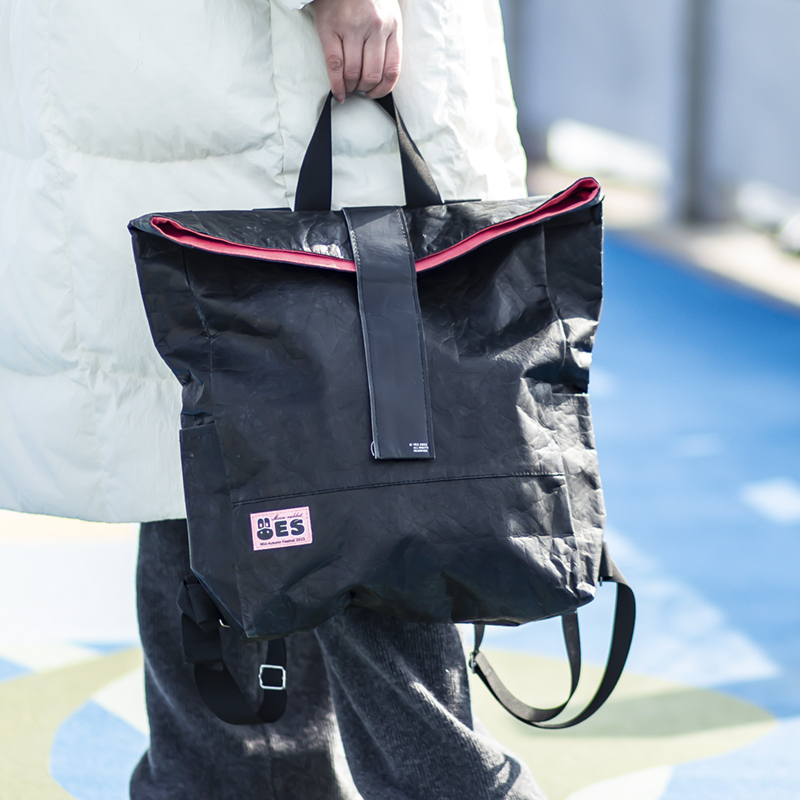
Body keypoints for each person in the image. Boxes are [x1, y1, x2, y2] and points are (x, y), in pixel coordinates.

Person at [0, 0, 544, 797]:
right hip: (274, 81)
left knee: (215, 442)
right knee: (353, 471)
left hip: (208, 91)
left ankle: (229, 783)